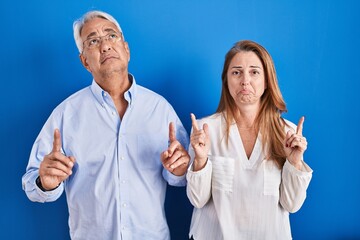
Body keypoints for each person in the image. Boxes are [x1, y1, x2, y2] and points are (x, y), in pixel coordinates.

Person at [22, 10, 190, 240]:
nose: (105, 45)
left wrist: (181, 169)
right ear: (84, 61)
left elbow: (185, 178)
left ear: (126, 49)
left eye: (111, 36)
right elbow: (32, 183)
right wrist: (45, 182)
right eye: (93, 41)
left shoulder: (159, 109)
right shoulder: (65, 114)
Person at [186, 40, 313, 240]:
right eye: (236, 72)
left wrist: (294, 162)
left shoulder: (287, 133)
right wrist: (200, 160)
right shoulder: (205, 130)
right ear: (226, 80)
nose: (245, 81)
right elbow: (198, 200)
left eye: (254, 72)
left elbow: (292, 205)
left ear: (267, 80)